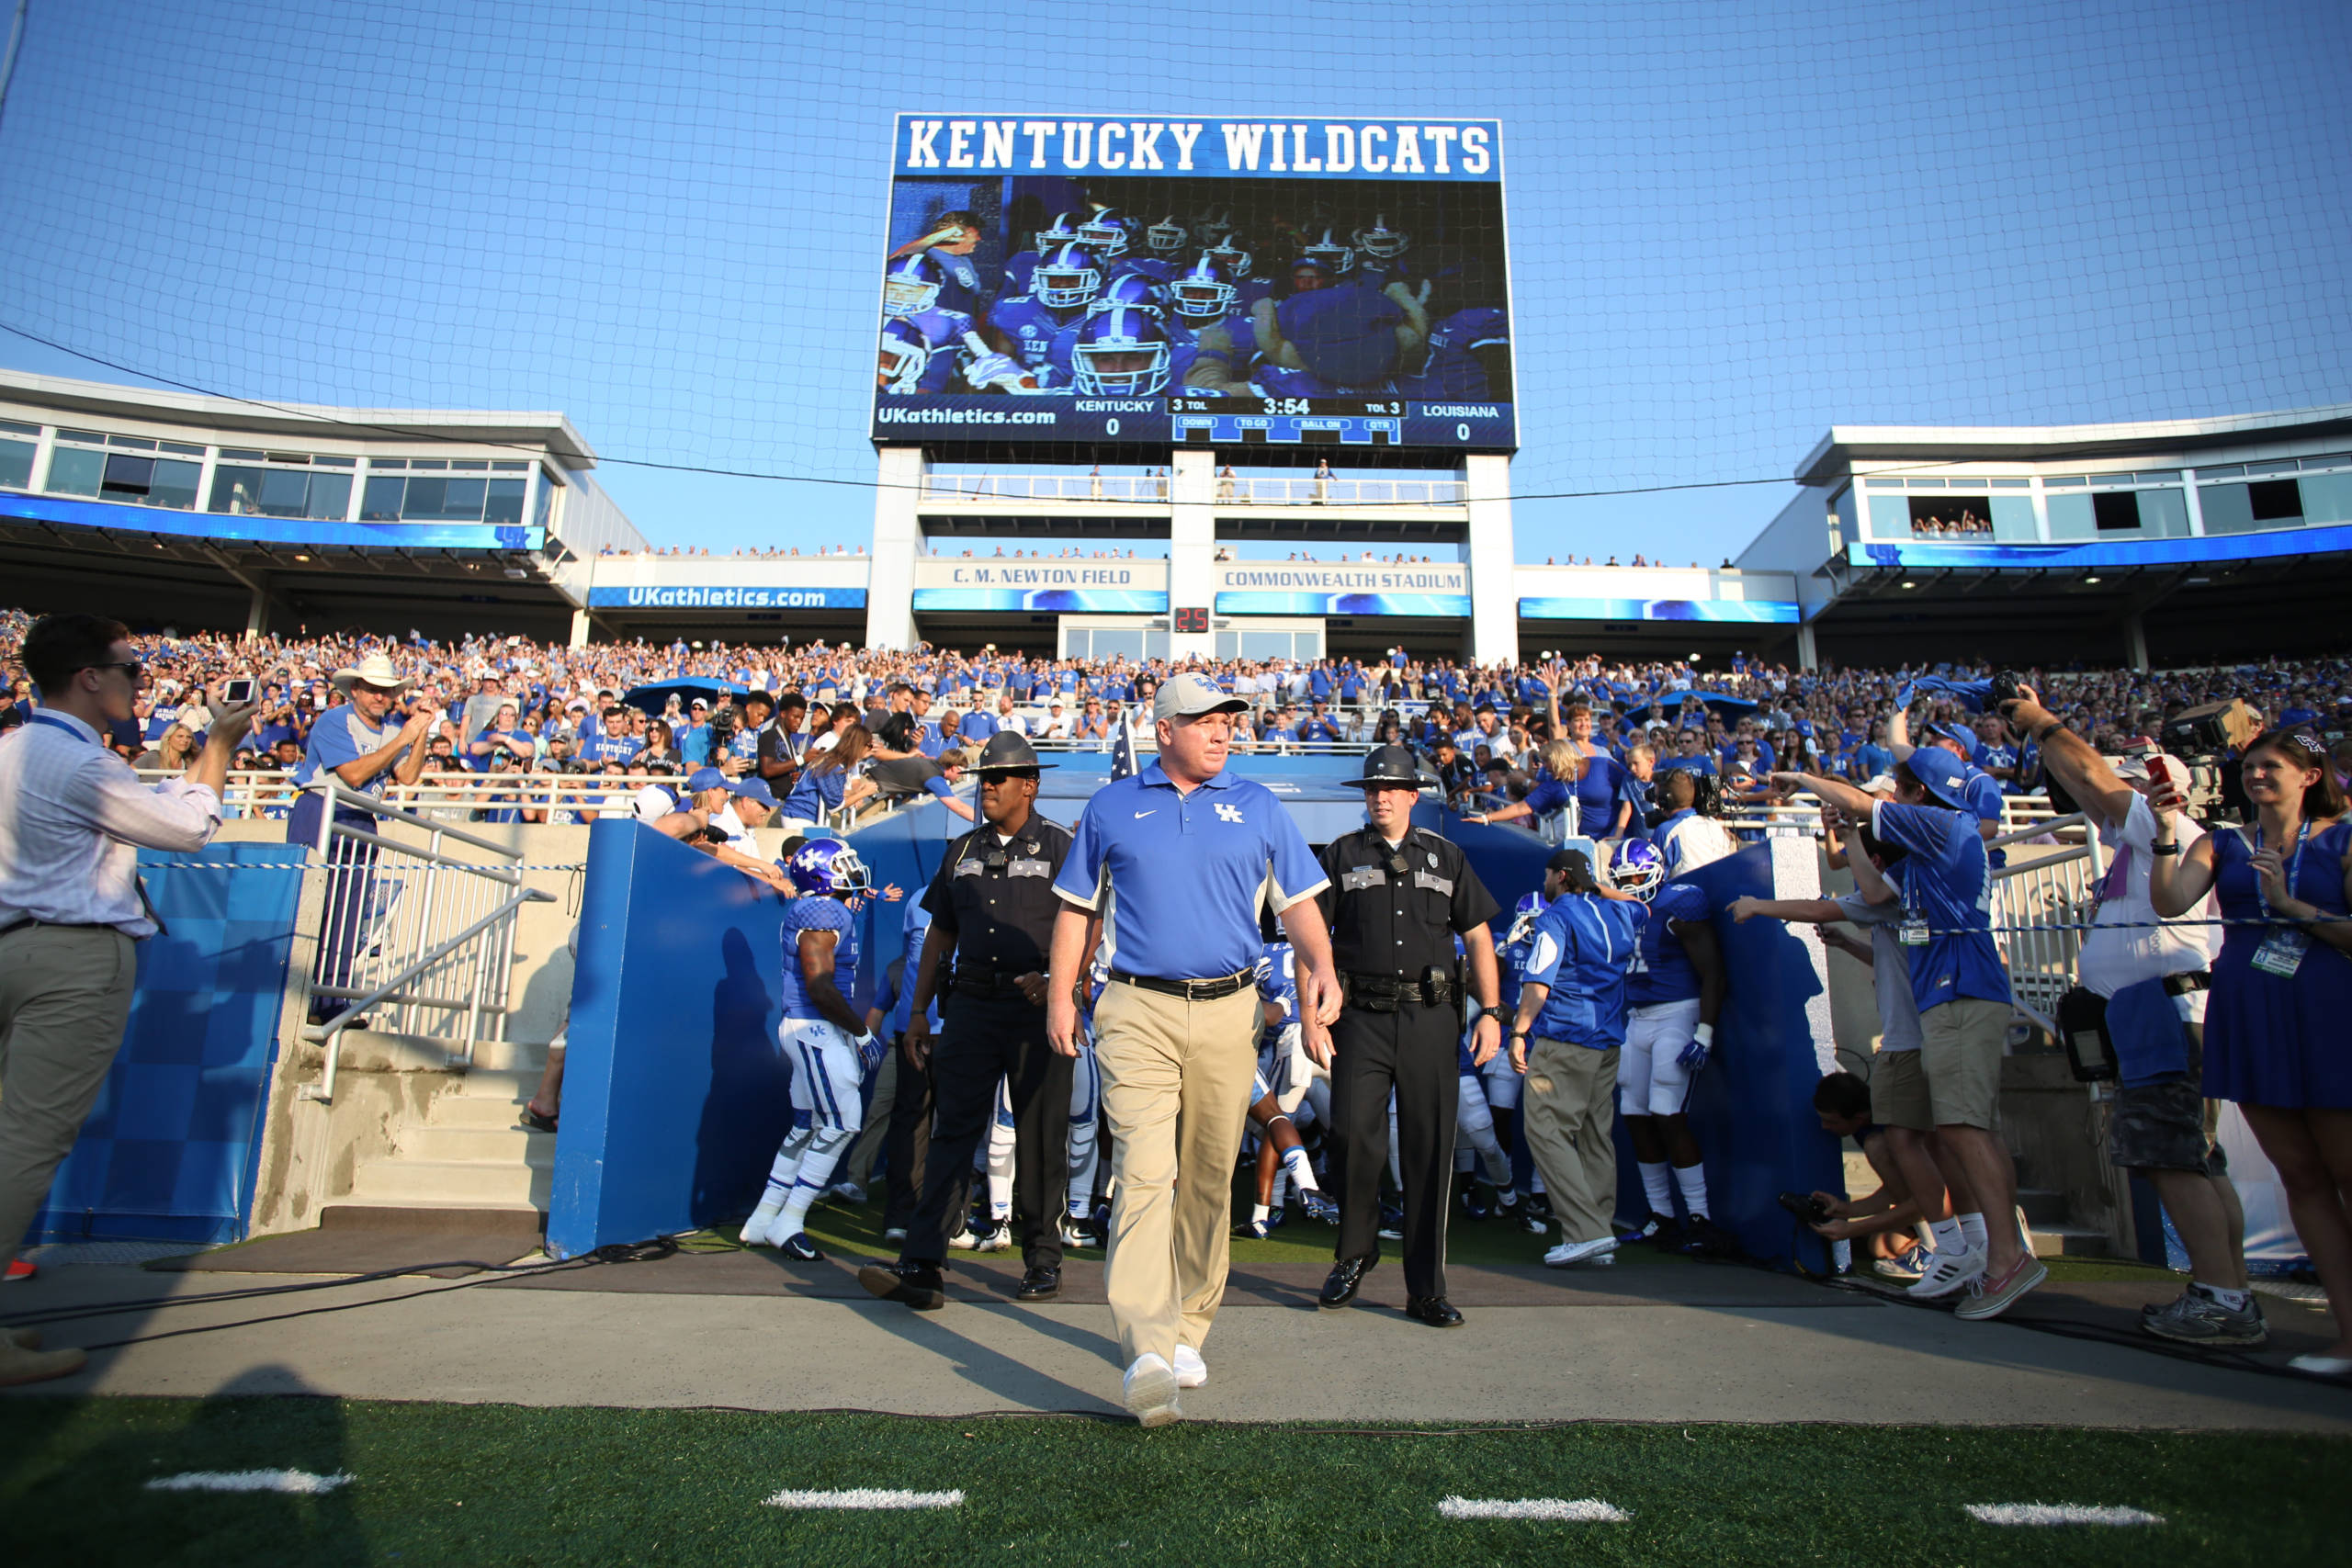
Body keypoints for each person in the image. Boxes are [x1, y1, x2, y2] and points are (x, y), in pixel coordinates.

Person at [1042, 673, 1340, 1427]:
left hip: (1231, 1010)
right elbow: (1077, 912)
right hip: (1135, 1007)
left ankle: (1187, 1327)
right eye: (1205, 720)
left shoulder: (1260, 804)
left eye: (1229, 721)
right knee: (1144, 1170)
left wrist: (1323, 970)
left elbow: (1300, 907)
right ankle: (1145, 1343)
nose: (1222, 732)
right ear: (1164, 728)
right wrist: (1058, 993)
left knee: (1208, 1177)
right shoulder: (1111, 805)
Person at [0, 614, 256, 1382]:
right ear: (88, 677)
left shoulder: (16, 747)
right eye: (131, 670)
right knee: (25, 1142)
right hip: (68, 955)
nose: (138, 682)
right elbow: (186, 828)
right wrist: (218, 747)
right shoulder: (77, 763)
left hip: (17, 939)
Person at [2001, 686, 2258, 1346]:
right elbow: (2088, 789)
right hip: (2157, 1012)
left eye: (2151, 780)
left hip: (2166, 1013)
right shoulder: (2146, 844)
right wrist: (2037, 737)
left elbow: (2092, 774)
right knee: (2197, 1159)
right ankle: (2228, 1291)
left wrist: (2043, 722)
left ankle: (2221, 1297)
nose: (2136, 788)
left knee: (2175, 1159)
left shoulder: (2177, 831)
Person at [1770, 752, 2043, 1320]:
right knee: (1959, 1132)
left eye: (1901, 789)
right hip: (1949, 996)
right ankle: (1980, 1250)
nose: (1892, 799)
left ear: (1920, 793)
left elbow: (1863, 815)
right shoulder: (1924, 861)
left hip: (1962, 993)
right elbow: (1865, 884)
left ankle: (2004, 1256)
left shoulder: (1945, 824)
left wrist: (1800, 778)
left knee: (1964, 1131)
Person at [2146, 727, 2352, 1376]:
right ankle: (2348, 1335)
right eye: (2251, 765)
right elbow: (2170, 900)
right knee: (2304, 1179)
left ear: (2310, 775)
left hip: (2327, 1012)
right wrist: (2162, 832)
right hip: (2252, 1014)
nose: (2256, 775)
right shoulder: (2225, 841)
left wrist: (2292, 905)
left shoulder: (2343, 838)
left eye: (2272, 766)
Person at [860, 732, 1076, 1309]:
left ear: (1028, 785)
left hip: (1037, 1012)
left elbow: (1090, 925)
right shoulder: (961, 850)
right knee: (953, 1132)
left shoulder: (1062, 847)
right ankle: (924, 1262)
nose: (986, 787)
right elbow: (939, 935)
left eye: (997, 779)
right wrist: (914, 1017)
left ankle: (1041, 1260)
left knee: (1038, 1136)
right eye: (983, 778)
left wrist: (1060, 982)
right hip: (972, 1008)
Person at [1314, 746, 1503, 1326]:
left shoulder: (1447, 857)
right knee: (1349, 1135)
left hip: (1429, 1018)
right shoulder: (1341, 855)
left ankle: (1425, 1289)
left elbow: (1478, 937)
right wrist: (1310, 1010)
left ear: (1413, 795)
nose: (1380, 796)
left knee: (1428, 1150)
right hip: (1360, 1018)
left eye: (1392, 788)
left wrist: (1491, 1011)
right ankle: (1357, 1249)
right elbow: (1310, 937)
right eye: (1372, 788)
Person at [739, 840, 883, 1260]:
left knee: (805, 1126)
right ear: (821, 872)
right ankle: (790, 1220)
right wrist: (860, 1034)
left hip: (807, 1027)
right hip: (816, 1028)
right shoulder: (823, 909)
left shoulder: (823, 908)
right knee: (842, 1123)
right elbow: (820, 986)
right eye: (843, 864)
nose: (852, 869)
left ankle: (763, 1218)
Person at [1509, 846, 1645, 1266]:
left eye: (1550, 875)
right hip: (1607, 1042)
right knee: (1594, 1136)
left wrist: (1518, 1031)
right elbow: (1641, 906)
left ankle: (1585, 1231)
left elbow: (1538, 983)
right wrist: (1593, 886)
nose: (1544, 882)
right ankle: (1598, 1233)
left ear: (1561, 877)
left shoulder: (1555, 917)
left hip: (1566, 1039)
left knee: (1546, 1131)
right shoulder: (1618, 913)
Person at [288, 652, 438, 1027]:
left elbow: (406, 776)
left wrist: (419, 734)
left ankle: (330, 1000)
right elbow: (353, 774)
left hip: (361, 817)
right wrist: (404, 735)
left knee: (348, 916)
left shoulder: (390, 730)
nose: (379, 697)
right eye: (372, 689)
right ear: (354, 689)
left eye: (386, 691)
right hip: (322, 809)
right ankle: (294, 997)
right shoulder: (334, 720)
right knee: (309, 906)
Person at [1607, 840, 1731, 1254]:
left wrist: (1705, 1033)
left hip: (1677, 1012)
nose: (1633, 887)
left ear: (1657, 873)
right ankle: (1661, 1216)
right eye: (1624, 881)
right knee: (1634, 1114)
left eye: (1638, 878)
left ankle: (1700, 1218)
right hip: (1637, 1018)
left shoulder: (1680, 903)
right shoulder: (1622, 910)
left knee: (1667, 1112)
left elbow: (1714, 973)